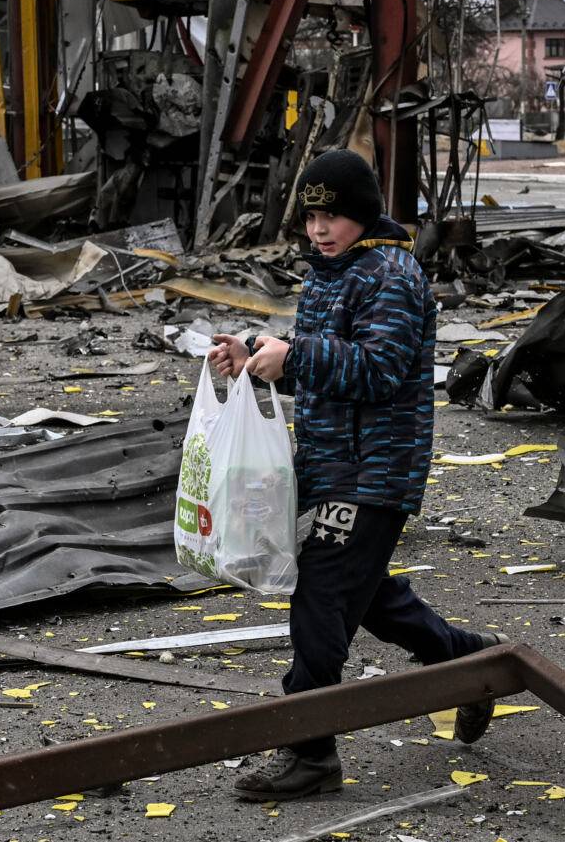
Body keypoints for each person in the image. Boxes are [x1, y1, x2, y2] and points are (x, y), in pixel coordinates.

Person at [208, 149, 500, 803]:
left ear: (362, 213)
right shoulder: (332, 273)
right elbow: (317, 355)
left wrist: (297, 356)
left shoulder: (390, 275)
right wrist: (254, 353)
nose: (318, 228)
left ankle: (310, 751)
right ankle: (468, 661)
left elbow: (380, 368)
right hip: (332, 464)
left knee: (320, 588)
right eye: (311, 215)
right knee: (367, 595)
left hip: (374, 470)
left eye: (331, 215)